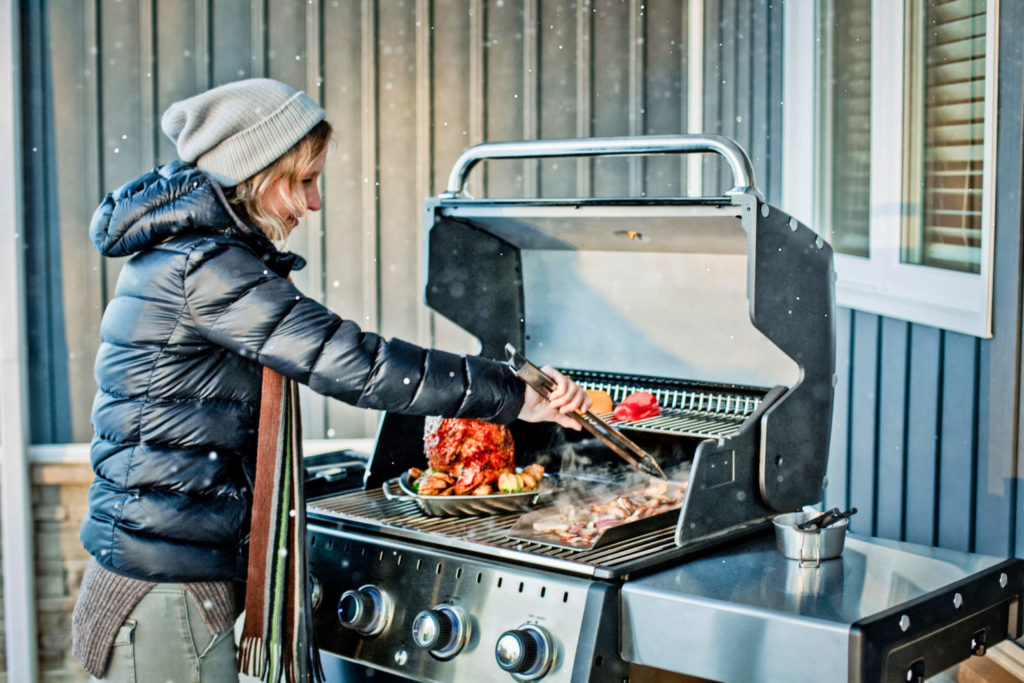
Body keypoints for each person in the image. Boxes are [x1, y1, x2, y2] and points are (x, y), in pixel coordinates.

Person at [71, 77, 590, 682]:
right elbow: (353, 362)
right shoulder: (204, 266)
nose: (314, 204)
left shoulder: (190, 253)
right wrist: (511, 394)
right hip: (164, 590)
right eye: (305, 181)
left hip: (168, 567)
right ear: (258, 172)